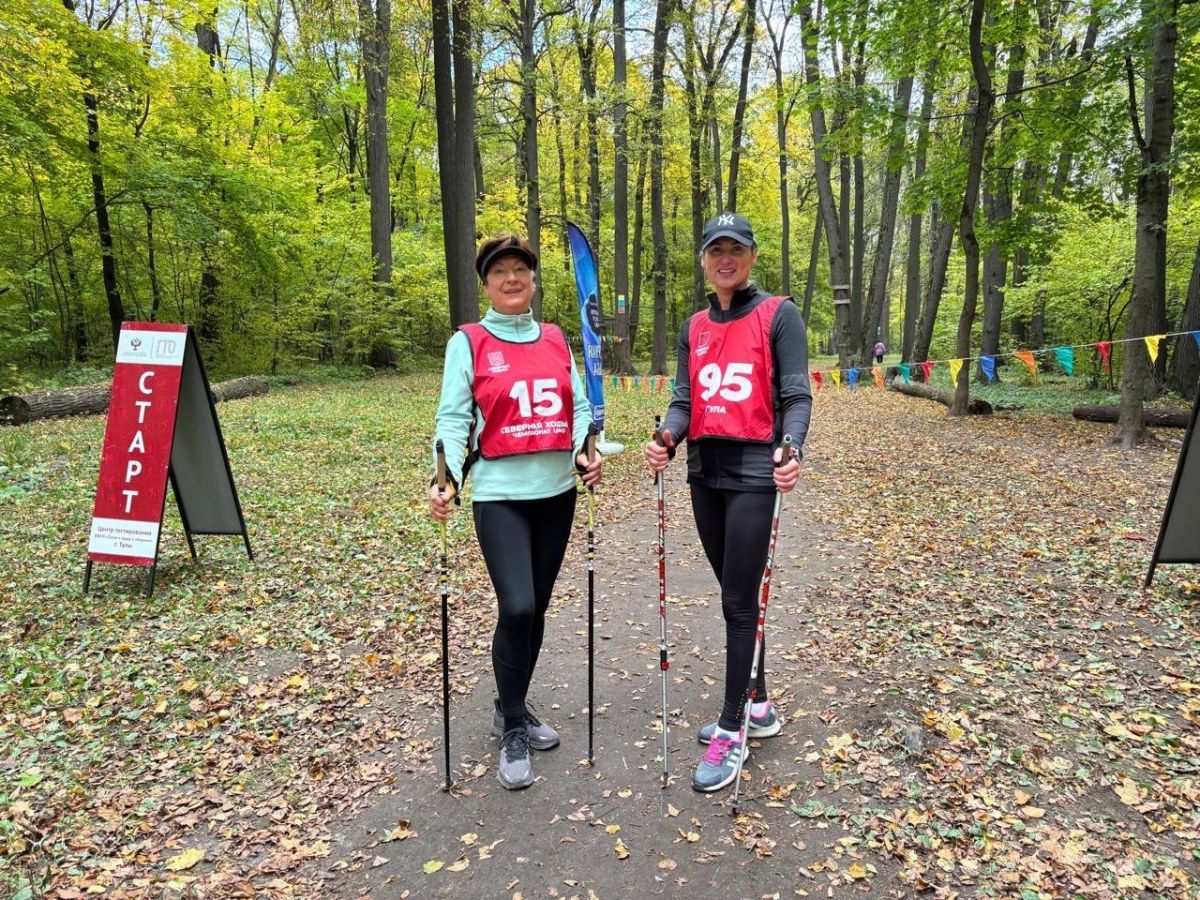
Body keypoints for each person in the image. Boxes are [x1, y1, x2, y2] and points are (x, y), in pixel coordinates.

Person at [429, 232, 603, 790]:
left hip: (557, 492)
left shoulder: (554, 338)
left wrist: (583, 449)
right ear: (486, 283)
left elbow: (579, 407)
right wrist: (447, 477)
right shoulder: (469, 341)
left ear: (532, 280)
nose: (511, 279)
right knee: (519, 607)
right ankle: (510, 728)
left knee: (540, 608)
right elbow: (455, 419)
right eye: (499, 271)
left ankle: (515, 705)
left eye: (520, 270)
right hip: (501, 495)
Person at [644, 212, 811, 793]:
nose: (725, 258)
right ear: (704, 259)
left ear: (751, 256)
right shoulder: (694, 325)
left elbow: (796, 395)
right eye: (715, 249)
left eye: (735, 248)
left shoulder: (777, 314)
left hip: (753, 475)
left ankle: (733, 727)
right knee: (731, 593)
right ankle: (758, 703)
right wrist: (667, 434)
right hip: (704, 474)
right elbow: (684, 400)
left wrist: (791, 447)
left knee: (740, 603)